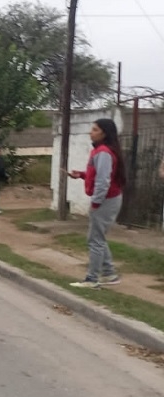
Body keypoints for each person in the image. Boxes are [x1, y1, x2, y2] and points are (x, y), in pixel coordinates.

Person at [67, 118, 126, 288]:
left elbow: (103, 181)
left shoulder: (103, 152)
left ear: (104, 134)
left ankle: (92, 279)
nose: (90, 132)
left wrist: (96, 203)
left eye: (95, 130)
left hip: (106, 200)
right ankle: (109, 274)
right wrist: (82, 175)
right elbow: (98, 175)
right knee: (98, 238)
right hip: (108, 198)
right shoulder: (101, 151)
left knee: (95, 240)